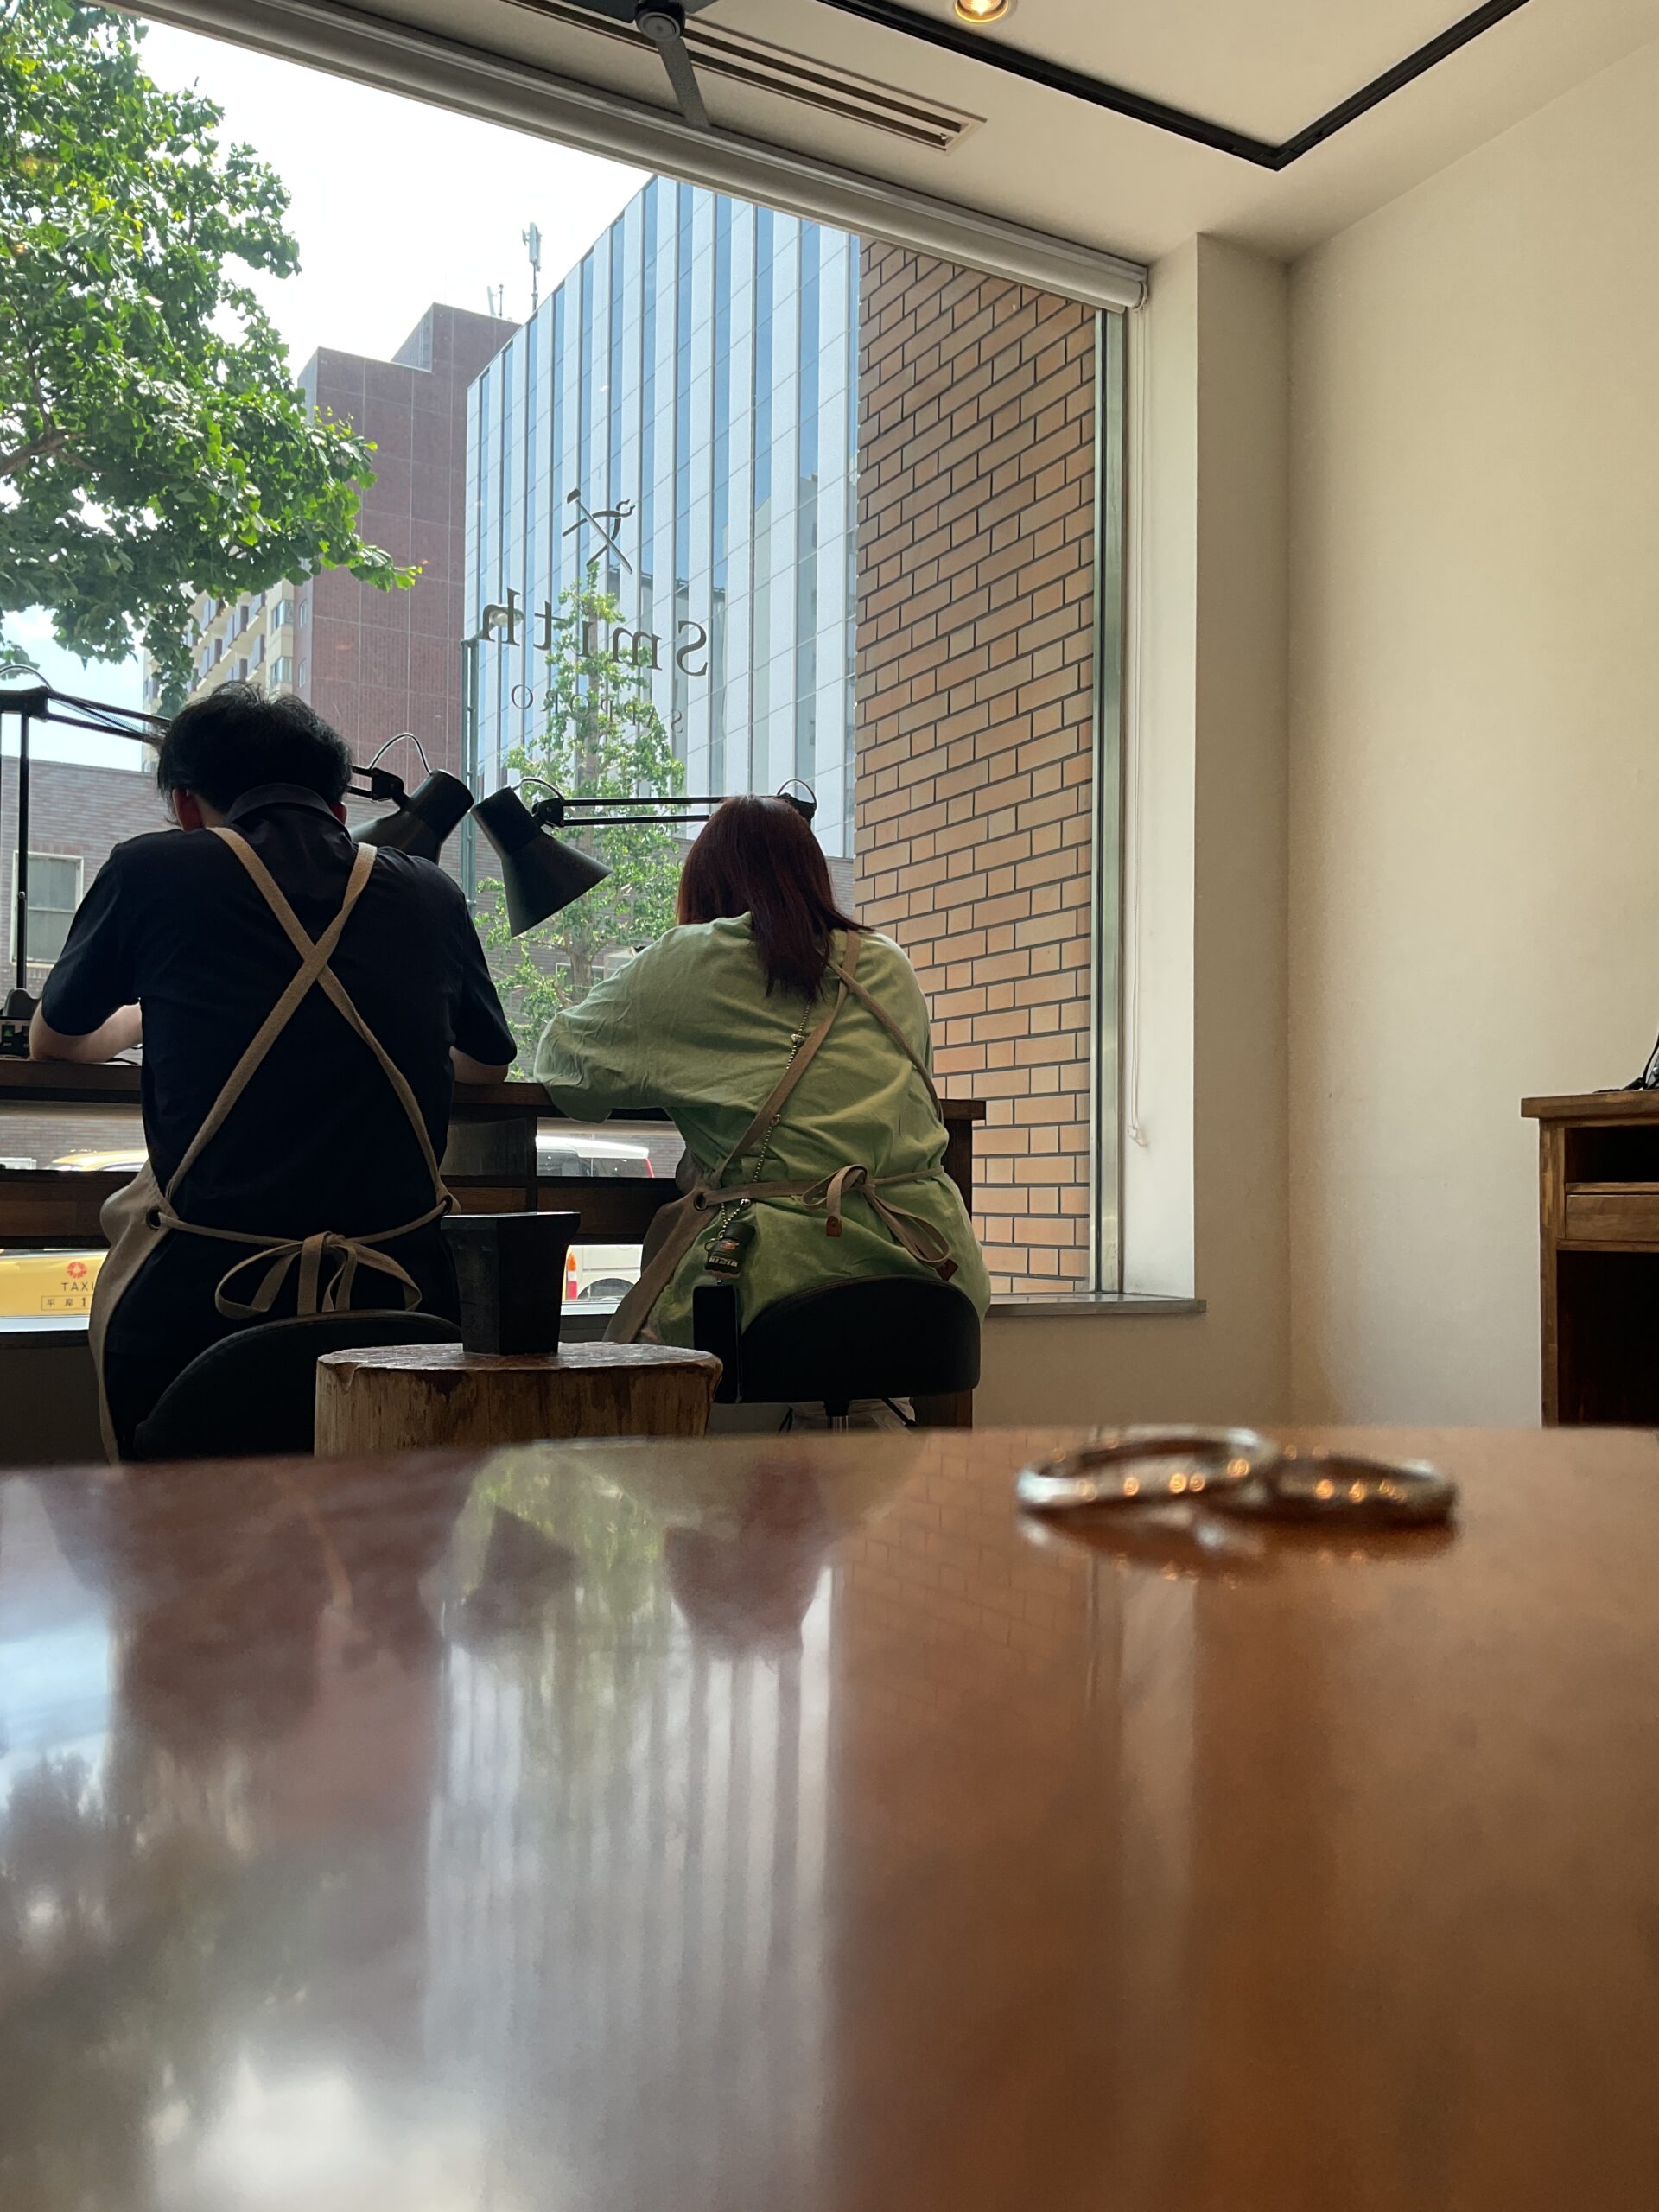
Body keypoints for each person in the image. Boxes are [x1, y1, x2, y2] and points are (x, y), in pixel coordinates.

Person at [30, 684, 515, 1457]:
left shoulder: (151, 870)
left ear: (187, 806)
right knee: (396, 1524)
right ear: (337, 806)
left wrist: (148, 1017)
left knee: (180, 1523)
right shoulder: (431, 892)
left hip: (199, 1313)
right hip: (410, 1305)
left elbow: (55, 1039)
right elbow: (488, 1065)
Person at [535, 794, 989, 1397]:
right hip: (935, 1274)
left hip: (777, 1281)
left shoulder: (692, 960)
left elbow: (565, 1068)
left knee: (633, 1386)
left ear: (707, 885)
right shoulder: (889, 962)